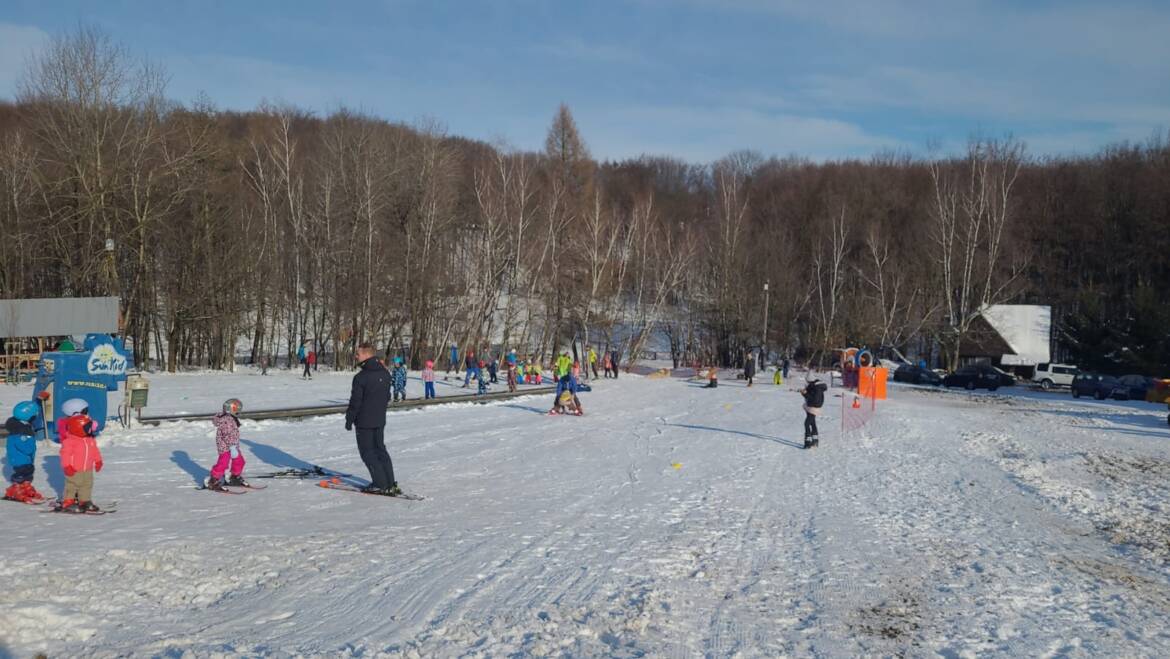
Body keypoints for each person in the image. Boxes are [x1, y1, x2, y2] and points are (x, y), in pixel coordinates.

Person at [345, 343, 399, 495]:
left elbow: (355, 402)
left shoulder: (361, 377)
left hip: (364, 421)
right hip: (379, 419)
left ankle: (380, 484)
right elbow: (387, 396)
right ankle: (389, 482)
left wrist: (349, 419)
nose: (356, 356)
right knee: (380, 449)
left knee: (368, 452)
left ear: (367, 355)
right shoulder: (385, 373)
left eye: (358, 354)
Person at [58, 405, 104, 512]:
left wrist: (98, 461)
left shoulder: (89, 440)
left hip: (88, 468)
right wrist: (67, 466)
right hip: (74, 469)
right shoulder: (70, 441)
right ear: (78, 428)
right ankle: (68, 501)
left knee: (87, 484)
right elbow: (65, 454)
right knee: (72, 485)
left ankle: (85, 500)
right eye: (87, 428)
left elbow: (94, 450)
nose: (90, 430)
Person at [4, 401, 44, 503]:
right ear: (28, 416)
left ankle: (25, 487)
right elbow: (25, 447)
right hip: (19, 459)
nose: (35, 417)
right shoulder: (20, 430)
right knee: (21, 473)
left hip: (25, 458)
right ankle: (15, 489)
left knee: (29, 472)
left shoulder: (23, 425)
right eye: (34, 415)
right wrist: (30, 440)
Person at [206, 398, 249, 491]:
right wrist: (232, 446)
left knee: (240, 461)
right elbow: (227, 434)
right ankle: (213, 480)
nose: (238, 411)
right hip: (225, 447)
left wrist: (234, 446)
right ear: (232, 409)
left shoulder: (231, 418)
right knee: (223, 463)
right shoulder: (226, 419)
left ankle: (234, 477)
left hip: (233, 445)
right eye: (237, 409)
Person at [801, 374, 828, 449]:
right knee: (812, 423)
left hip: (813, 408)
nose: (807, 383)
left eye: (808, 382)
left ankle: (808, 442)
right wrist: (804, 393)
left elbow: (815, 401)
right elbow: (810, 396)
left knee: (807, 423)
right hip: (810, 406)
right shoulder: (814, 386)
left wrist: (805, 394)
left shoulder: (817, 388)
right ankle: (815, 440)